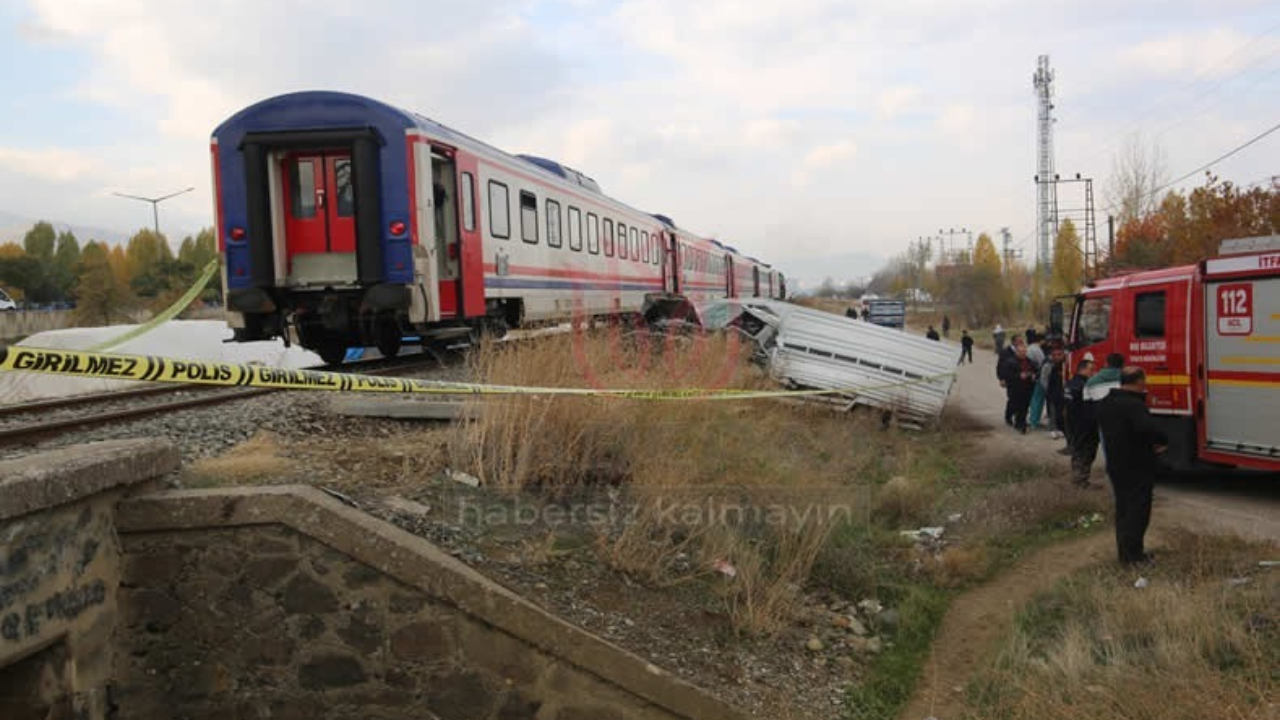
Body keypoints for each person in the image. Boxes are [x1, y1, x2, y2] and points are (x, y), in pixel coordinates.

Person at [1097, 367, 1169, 565]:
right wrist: (1162, 441)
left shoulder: (1105, 402)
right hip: (1137, 464)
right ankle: (1134, 557)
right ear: (1139, 382)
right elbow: (1148, 428)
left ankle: (1125, 555)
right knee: (1138, 511)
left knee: (1123, 510)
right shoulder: (1133, 405)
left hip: (1115, 464)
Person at [1064, 358, 1100, 485]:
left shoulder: (1070, 383)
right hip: (1085, 424)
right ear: (1082, 369)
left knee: (1077, 450)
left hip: (1072, 423)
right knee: (1087, 452)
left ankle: (1078, 478)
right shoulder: (1086, 386)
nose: (1093, 372)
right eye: (1091, 370)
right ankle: (1080, 481)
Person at [999, 336, 1036, 433]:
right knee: (1015, 405)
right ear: (1016, 352)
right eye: (1021, 352)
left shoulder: (1029, 361)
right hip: (1015, 388)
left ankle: (1021, 423)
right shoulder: (1010, 362)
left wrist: (1033, 375)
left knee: (1024, 407)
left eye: (1024, 352)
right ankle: (1013, 419)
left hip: (1027, 388)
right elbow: (1006, 374)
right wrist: (1018, 376)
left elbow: (1035, 370)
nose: (1023, 354)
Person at [1041, 344, 1067, 440]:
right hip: (1052, 393)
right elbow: (1043, 379)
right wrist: (1048, 390)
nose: (1056, 356)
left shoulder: (1066, 365)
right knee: (1053, 412)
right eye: (1054, 354)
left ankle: (1060, 429)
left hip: (1064, 393)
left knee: (1062, 413)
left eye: (1059, 354)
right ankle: (1052, 430)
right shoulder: (1048, 366)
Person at [1025, 331, 1047, 429]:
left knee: (1034, 399)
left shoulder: (1029, 348)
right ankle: (1034, 421)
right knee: (1038, 399)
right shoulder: (1037, 350)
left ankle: (1033, 420)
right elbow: (1043, 363)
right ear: (1041, 340)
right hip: (1038, 377)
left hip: (1030, 377)